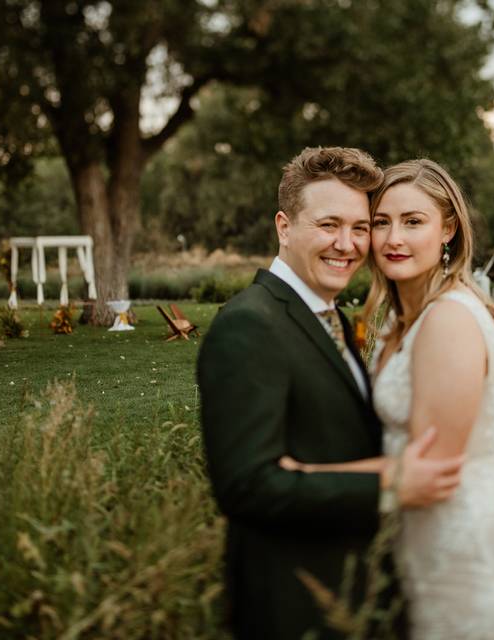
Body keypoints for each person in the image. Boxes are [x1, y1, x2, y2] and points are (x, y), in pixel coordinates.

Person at [197, 147, 464, 640]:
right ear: (284, 226)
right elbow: (246, 487)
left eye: (360, 228)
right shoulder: (249, 326)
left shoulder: (332, 318)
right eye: (328, 226)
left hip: (349, 593)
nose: (347, 245)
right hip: (290, 603)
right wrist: (388, 486)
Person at [282, 159, 494, 638]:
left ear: (448, 229)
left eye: (413, 221)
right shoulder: (394, 323)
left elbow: (428, 467)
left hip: (469, 555)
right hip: (421, 550)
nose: (393, 239)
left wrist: (307, 477)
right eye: (380, 223)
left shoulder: (449, 319)